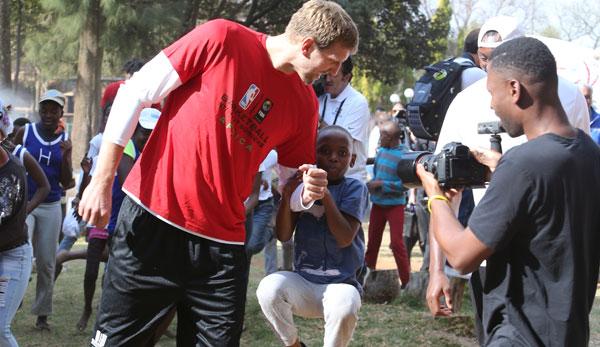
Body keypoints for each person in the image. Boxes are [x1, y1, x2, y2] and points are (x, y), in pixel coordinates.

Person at [78, 1, 359, 345]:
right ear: (307, 46)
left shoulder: (304, 105)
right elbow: (135, 93)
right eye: (333, 61)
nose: (333, 72)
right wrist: (102, 180)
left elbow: (292, 187)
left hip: (222, 249)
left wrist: (307, 192)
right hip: (153, 223)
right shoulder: (222, 37)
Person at [418, 36, 600, 346]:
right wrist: (503, 170)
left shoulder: (522, 166)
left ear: (514, 89)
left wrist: (435, 195)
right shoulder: (586, 152)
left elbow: (462, 257)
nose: (491, 104)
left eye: (493, 92)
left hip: (519, 334)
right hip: (568, 332)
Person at [257, 125, 368, 347]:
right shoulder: (301, 188)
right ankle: (294, 344)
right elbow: (284, 235)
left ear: (352, 159)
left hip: (341, 285)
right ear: (313, 155)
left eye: (342, 153)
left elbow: (345, 237)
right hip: (305, 283)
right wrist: (288, 195)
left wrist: (325, 194)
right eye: (325, 151)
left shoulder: (355, 188)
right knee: (268, 289)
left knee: (345, 305)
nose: (333, 158)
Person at [14, 89, 73, 330]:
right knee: (18, 257)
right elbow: (8, 160)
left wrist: (67, 156)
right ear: (39, 111)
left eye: (54, 110)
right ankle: (10, 304)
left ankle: (42, 315)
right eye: (44, 110)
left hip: (50, 205)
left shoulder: (64, 139)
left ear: (61, 113)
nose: (48, 114)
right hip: (24, 206)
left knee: (47, 262)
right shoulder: (25, 132)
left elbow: (66, 181)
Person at [364, 120, 410, 287]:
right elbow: (377, 170)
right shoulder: (382, 151)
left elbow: (405, 185)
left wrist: (382, 184)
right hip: (378, 204)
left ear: (391, 138)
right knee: (373, 241)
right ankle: (367, 278)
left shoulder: (404, 156)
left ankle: (406, 281)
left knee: (397, 243)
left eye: (383, 135)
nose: (379, 137)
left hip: (395, 205)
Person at [318, 56, 370, 182]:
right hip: (322, 178)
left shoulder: (358, 102)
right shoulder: (320, 98)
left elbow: (342, 142)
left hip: (350, 181)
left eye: (333, 74)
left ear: (347, 77)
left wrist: (316, 118)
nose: (327, 79)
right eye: (325, 73)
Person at [246, 150, 279, 275]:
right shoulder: (243, 151)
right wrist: (259, 181)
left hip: (264, 204)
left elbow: (282, 173)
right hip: (244, 202)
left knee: (252, 246)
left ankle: (270, 231)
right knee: (243, 250)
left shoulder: (272, 155)